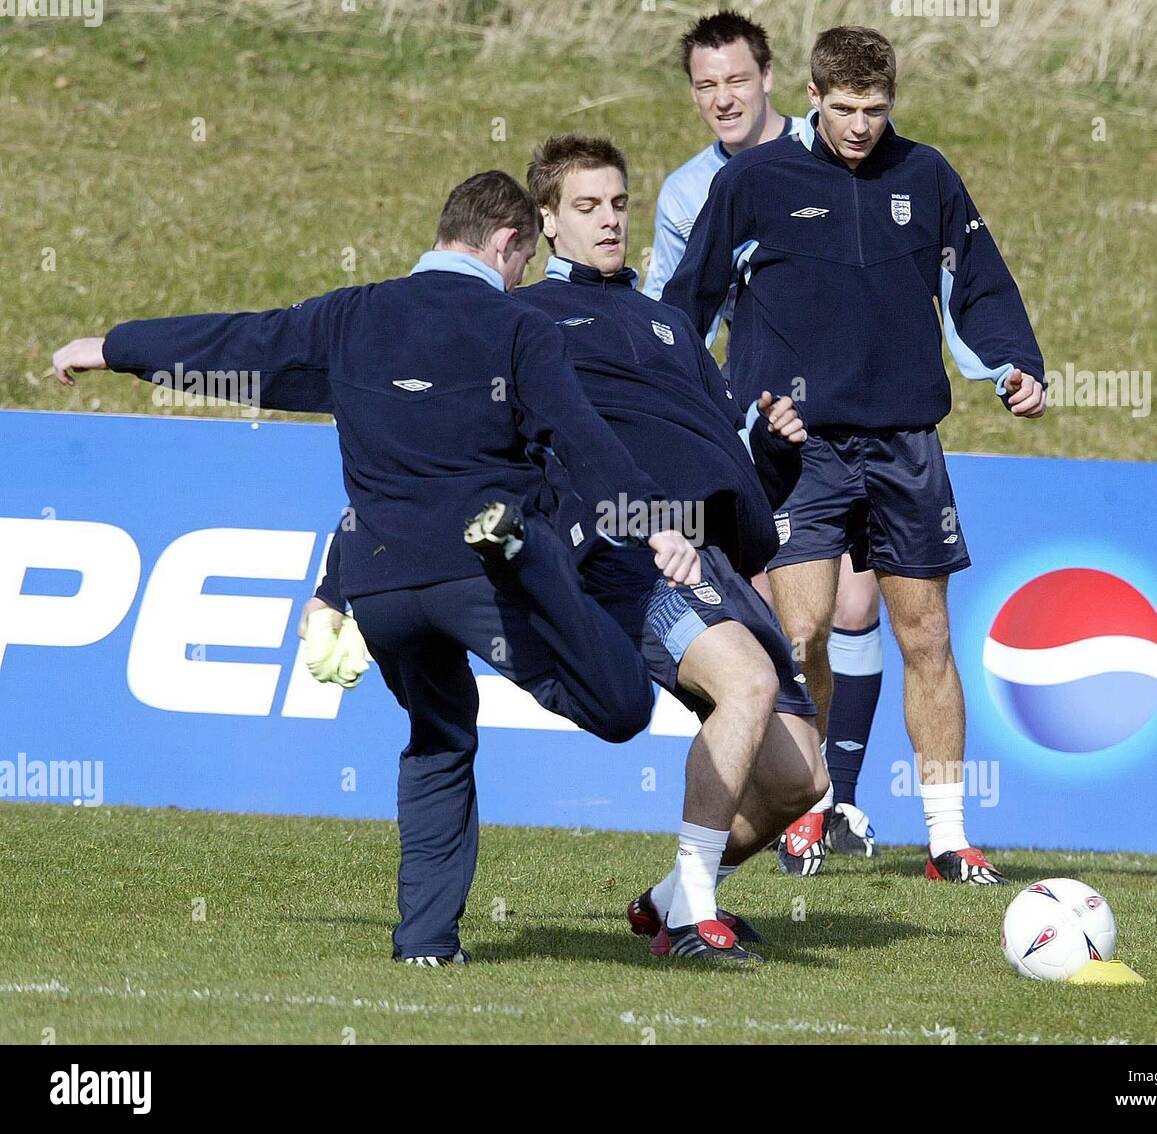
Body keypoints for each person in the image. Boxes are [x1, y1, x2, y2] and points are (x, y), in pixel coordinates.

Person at [51, 170, 702, 964]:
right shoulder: (518, 329)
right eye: (523, 261)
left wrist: (115, 348)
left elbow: (237, 345)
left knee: (437, 737)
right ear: (504, 243)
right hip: (479, 573)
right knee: (621, 704)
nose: (522, 277)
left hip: (383, 583)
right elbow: (583, 438)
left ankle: (425, 944)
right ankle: (519, 546)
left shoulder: (351, 314)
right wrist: (657, 525)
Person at [664, 26, 1047, 885]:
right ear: (812, 99)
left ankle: (947, 840)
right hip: (802, 451)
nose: (861, 126)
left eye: (876, 110)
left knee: (928, 636)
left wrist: (1016, 364)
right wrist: (671, 404)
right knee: (800, 637)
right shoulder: (754, 181)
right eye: (844, 109)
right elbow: (689, 299)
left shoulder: (929, 175)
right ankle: (809, 809)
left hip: (907, 442)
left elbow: (979, 282)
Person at [508, 133, 831, 961]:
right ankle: (694, 914)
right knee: (749, 684)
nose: (609, 221)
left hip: (716, 559)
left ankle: (670, 896)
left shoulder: (665, 324)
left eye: (618, 203)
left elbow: (723, 455)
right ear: (547, 220)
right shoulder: (526, 321)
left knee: (803, 781)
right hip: (634, 554)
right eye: (585, 207)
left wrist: (777, 452)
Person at [645, 9, 882, 870]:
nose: (722, 98)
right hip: (762, 430)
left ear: (772, 78)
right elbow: (678, 318)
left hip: (859, 421)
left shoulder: (844, 156)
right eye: (705, 85)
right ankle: (800, 800)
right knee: (796, 627)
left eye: (735, 80)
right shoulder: (686, 193)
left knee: (859, 611)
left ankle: (837, 799)